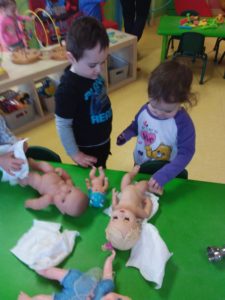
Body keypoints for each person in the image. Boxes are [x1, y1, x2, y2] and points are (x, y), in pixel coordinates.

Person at [117, 60, 197, 195]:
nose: (159, 113)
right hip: (141, 162)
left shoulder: (183, 123)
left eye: (167, 111)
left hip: (167, 170)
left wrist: (164, 176)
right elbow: (137, 125)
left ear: (182, 101)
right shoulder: (144, 109)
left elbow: (186, 153)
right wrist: (127, 134)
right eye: (154, 107)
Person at [55, 16, 112, 169]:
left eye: (103, 62)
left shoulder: (91, 72)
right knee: (94, 181)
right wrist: (75, 154)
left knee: (102, 169)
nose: (99, 70)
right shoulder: (67, 90)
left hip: (102, 140)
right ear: (71, 58)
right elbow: (63, 125)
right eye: (93, 64)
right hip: (86, 149)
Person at [18, 250, 131, 300]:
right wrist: (109, 260)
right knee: (47, 270)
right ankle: (36, 265)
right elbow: (107, 275)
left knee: (42, 299)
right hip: (76, 280)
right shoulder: (107, 287)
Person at [19, 158, 89, 217]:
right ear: (76, 188)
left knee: (33, 177)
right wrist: (63, 173)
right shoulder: (70, 184)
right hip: (52, 173)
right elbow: (68, 178)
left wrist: (29, 203)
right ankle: (34, 164)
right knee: (46, 166)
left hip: (41, 183)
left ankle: (22, 180)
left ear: (61, 210)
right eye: (69, 191)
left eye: (63, 200)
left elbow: (38, 204)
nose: (63, 193)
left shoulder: (49, 199)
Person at [105, 165, 153, 250]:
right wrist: (148, 201)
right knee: (145, 183)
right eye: (126, 219)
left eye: (115, 217)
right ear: (136, 223)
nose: (121, 214)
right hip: (137, 191)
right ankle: (152, 187)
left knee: (126, 177)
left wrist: (114, 196)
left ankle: (133, 173)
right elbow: (146, 213)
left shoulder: (116, 209)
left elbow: (114, 205)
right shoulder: (136, 211)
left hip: (125, 189)